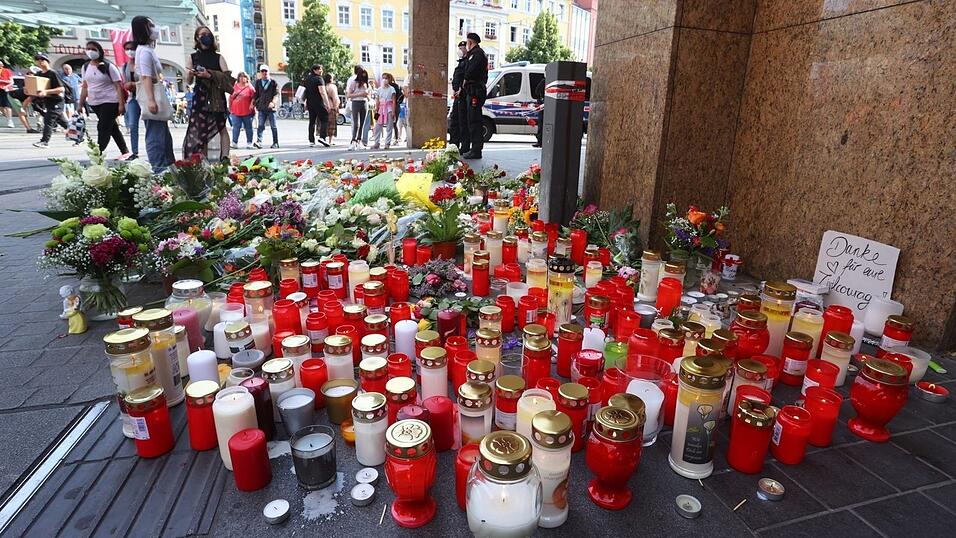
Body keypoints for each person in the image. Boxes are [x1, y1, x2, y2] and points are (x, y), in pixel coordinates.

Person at [131, 15, 175, 171]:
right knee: (156, 136)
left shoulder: (147, 50)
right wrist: (151, 100)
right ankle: (160, 169)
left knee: (162, 135)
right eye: (150, 26)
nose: (154, 29)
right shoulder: (144, 51)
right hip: (152, 97)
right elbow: (145, 76)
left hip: (154, 95)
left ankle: (169, 169)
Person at [183, 26, 234, 161]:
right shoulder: (192, 57)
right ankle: (203, 161)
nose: (206, 36)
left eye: (208, 33)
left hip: (216, 97)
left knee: (221, 126)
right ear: (197, 38)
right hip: (200, 96)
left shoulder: (219, 57)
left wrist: (209, 75)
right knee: (201, 131)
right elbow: (188, 81)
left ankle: (224, 158)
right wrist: (189, 73)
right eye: (202, 34)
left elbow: (228, 80)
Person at [78, 41, 131, 158]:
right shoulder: (85, 67)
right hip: (95, 102)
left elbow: (118, 86)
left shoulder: (108, 66)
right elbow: (85, 86)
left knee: (103, 126)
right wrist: (80, 103)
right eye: (88, 48)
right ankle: (125, 151)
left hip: (111, 101)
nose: (90, 51)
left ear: (99, 51)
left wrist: (121, 104)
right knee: (112, 127)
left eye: (93, 49)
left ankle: (98, 153)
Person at [459, 33, 488, 159]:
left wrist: (465, 79)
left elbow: (471, 70)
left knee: (474, 120)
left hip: (475, 90)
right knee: (472, 119)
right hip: (474, 89)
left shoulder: (477, 54)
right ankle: (474, 149)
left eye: (467, 43)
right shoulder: (477, 53)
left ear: (470, 42)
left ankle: (476, 150)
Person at [31, 54, 69, 148]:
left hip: (57, 101)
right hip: (48, 101)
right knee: (63, 122)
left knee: (48, 120)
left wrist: (46, 91)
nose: (40, 61)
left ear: (47, 61)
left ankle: (45, 141)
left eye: (42, 59)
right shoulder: (39, 74)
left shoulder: (53, 73)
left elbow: (61, 89)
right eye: (37, 59)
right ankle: (80, 136)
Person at [120, 42, 140, 158]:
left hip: (144, 96)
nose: (129, 51)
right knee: (132, 125)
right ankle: (135, 152)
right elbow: (123, 83)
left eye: (132, 48)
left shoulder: (141, 64)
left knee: (149, 124)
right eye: (127, 49)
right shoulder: (124, 66)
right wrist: (126, 85)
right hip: (133, 97)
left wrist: (135, 84)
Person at [303, 64, 330, 147]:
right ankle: (322, 137)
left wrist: (305, 102)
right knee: (324, 118)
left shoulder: (307, 79)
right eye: (319, 69)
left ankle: (311, 140)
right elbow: (322, 92)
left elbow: (305, 91)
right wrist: (327, 103)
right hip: (319, 102)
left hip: (310, 103)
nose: (321, 71)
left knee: (312, 121)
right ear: (314, 70)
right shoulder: (319, 79)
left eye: (321, 69)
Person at [252, 64, 279, 148]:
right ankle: (259, 142)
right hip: (261, 107)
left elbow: (276, 94)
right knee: (260, 126)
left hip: (271, 108)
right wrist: (253, 104)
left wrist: (273, 102)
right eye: (262, 71)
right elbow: (256, 94)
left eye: (266, 71)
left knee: (273, 126)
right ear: (260, 73)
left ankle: (275, 142)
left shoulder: (273, 82)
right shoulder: (258, 82)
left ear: (268, 72)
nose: (264, 73)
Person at [448, 40, 467, 149]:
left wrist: (460, 89)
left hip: (462, 96)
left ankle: (462, 146)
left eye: (462, 48)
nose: (460, 50)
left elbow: (465, 77)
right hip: (457, 96)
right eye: (459, 48)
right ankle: (453, 145)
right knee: (454, 120)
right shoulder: (461, 62)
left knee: (462, 122)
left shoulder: (467, 62)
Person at [370, 73, 397, 149]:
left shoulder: (392, 89)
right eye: (383, 78)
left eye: (386, 78)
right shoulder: (379, 89)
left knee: (389, 126)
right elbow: (377, 100)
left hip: (389, 108)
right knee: (377, 126)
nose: (384, 80)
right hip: (380, 109)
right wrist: (376, 109)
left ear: (389, 79)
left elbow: (394, 101)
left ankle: (387, 143)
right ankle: (376, 142)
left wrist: (393, 112)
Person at [229, 71, 255, 148]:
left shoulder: (250, 87)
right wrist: (230, 107)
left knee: (248, 127)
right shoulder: (235, 86)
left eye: (244, 76)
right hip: (236, 110)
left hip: (247, 111)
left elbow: (254, 97)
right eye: (240, 76)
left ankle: (249, 143)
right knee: (236, 127)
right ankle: (234, 142)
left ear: (247, 78)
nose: (242, 78)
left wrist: (252, 104)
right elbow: (230, 98)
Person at [346, 66, 369, 151]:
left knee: (362, 124)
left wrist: (367, 95)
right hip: (355, 102)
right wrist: (360, 94)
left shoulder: (365, 84)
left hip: (364, 102)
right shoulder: (353, 83)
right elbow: (349, 95)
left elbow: (367, 95)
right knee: (356, 123)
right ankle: (353, 141)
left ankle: (359, 141)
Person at [323, 73, 339, 145]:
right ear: (330, 79)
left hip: (323, 106)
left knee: (324, 123)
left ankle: (323, 138)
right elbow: (335, 97)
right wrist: (336, 106)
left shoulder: (323, 86)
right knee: (331, 124)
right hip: (331, 106)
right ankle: (330, 140)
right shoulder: (332, 87)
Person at [0, 60, 14, 127]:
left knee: (7, 105)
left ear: (2, 65)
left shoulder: (7, 71)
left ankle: (10, 120)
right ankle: (7, 118)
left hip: (5, 89)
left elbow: (11, 82)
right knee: (1, 106)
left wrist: (4, 84)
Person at [390, 76, 403, 141]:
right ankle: (396, 138)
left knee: (393, 123)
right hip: (396, 106)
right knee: (394, 123)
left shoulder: (393, 86)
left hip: (393, 106)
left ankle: (396, 138)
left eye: (385, 78)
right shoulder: (396, 86)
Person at [532, 76, 545, 147]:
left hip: (543, 106)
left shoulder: (544, 81)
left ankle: (540, 142)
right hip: (551, 107)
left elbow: (537, 91)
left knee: (541, 124)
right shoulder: (553, 82)